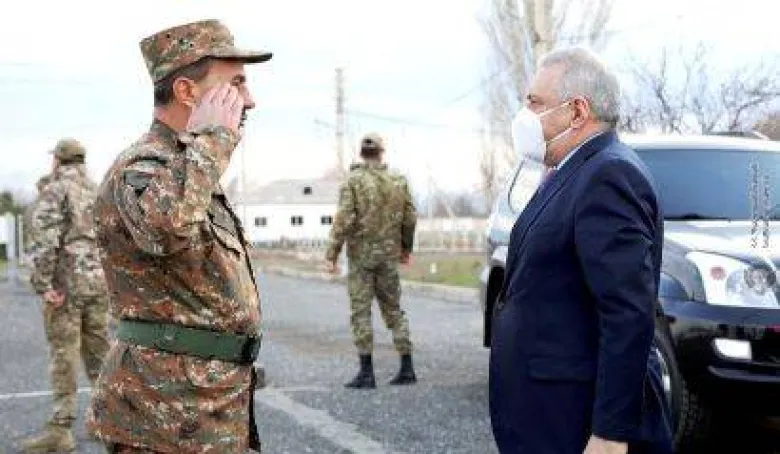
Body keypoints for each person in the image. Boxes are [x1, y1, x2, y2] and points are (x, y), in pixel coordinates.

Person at [85, 19, 272, 453]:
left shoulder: (187, 165)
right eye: (236, 84)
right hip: (163, 414)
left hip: (204, 404)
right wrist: (213, 139)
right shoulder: (143, 167)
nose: (250, 100)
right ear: (187, 92)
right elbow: (164, 231)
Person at [489, 47, 674, 454]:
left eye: (535, 102)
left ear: (577, 111)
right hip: (549, 412)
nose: (525, 114)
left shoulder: (609, 174)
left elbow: (627, 313)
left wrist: (610, 433)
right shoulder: (571, 171)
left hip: (576, 421)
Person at [21, 139, 111, 453]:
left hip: (66, 286)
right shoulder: (98, 190)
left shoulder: (56, 189)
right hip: (98, 282)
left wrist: (43, 284)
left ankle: (61, 429)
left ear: (58, 160)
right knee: (100, 354)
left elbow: (45, 240)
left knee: (64, 355)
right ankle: (108, 423)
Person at [325, 133, 418, 389]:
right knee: (394, 309)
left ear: (361, 153)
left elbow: (344, 219)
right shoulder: (398, 180)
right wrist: (406, 248)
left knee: (361, 311)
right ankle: (407, 367)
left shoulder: (353, 181)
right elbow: (410, 217)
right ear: (381, 152)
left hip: (361, 258)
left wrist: (332, 255)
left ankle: (367, 373)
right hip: (388, 256)